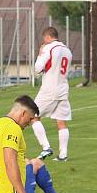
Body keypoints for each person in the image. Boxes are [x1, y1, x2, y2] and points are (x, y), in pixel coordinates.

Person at [31, 27, 73, 162]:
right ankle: (63, 155)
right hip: (63, 88)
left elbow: (37, 69)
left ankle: (46, 147)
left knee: (33, 116)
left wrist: (39, 53)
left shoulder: (48, 48)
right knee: (61, 122)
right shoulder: (67, 50)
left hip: (49, 89)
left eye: (44, 39)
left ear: (48, 37)